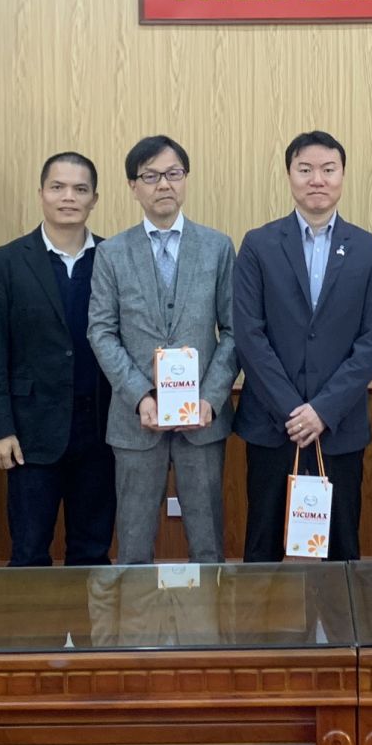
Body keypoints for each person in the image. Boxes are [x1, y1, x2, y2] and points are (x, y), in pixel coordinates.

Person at [233, 130, 372, 562]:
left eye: (328, 169)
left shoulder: (370, 250)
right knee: (263, 546)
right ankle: (261, 632)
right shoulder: (258, 244)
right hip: (272, 426)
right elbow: (249, 334)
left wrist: (322, 411)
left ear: (342, 176)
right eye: (305, 169)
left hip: (338, 428)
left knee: (339, 550)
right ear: (289, 176)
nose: (317, 179)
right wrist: (293, 411)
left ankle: (338, 632)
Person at [89, 136, 240, 563]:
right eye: (150, 176)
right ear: (133, 186)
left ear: (186, 180)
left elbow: (233, 331)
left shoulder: (217, 247)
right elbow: (101, 332)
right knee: (134, 543)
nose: (164, 185)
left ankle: (207, 629)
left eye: (173, 174)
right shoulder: (112, 253)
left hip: (203, 422)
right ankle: (137, 630)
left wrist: (210, 399)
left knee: (208, 542)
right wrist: (141, 396)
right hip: (137, 420)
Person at [0, 153, 115, 566]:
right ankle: (32, 633)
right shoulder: (6, 261)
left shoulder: (113, 258)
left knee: (92, 552)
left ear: (94, 199)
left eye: (80, 189)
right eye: (57, 187)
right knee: (29, 552)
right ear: (41, 194)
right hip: (29, 436)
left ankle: (89, 633)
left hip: (101, 432)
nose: (68, 197)